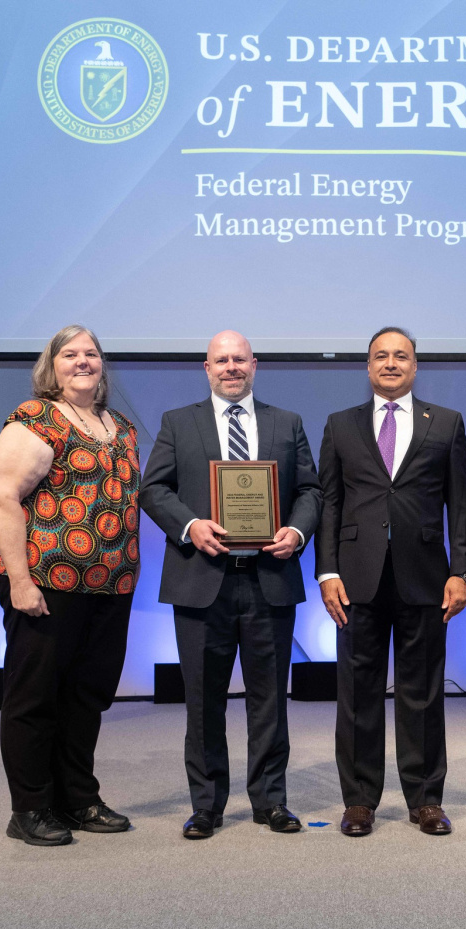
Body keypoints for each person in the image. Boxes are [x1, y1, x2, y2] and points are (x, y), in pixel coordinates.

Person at [140, 330, 322, 839]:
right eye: (221, 360)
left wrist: (297, 529)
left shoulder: (287, 423)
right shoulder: (179, 423)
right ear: (206, 368)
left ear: (255, 365)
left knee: (270, 701)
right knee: (203, 702)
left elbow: (311, 490)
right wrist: (190, 525)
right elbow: (152, 489)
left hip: (269, 580)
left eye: (239, 359)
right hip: (201, 583)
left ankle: (271, 801)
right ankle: (207, 806)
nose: (231, 368)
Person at [0, 324, 140, 846]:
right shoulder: (35, 419)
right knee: (34, 699)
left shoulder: (119, 426)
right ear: (51, 366)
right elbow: (0, 494)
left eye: (91, 353)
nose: (82, 361)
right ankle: (29, 808)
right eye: (69, 354)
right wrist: (21, 583)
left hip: (110, 586)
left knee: (85, 698)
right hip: (46, 585)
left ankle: (78, 799)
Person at [316, 327, 466, 837]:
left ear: (415, 365)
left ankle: (426, 798)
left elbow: (461, 503)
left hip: (426, 576)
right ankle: (359, 800)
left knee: (423, 692)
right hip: (356, 578)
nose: (390, 363)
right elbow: (330, 502)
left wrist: (462, 570)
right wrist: (327, 570)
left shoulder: (446, 423)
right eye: (380, 356)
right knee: (358, 693)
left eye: (400, 356)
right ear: (367, 367)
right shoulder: (340, 425)